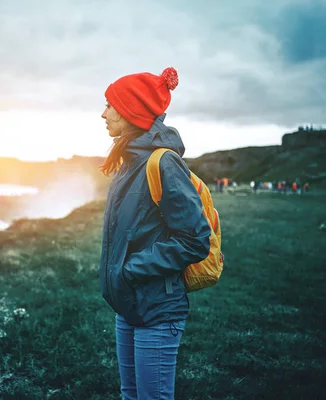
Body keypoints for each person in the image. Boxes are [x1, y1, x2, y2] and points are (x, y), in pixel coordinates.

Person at [99, 67, 211, 399]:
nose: (103, 114)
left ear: (131, 111)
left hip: (157, 309)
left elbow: (194, 239)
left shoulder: (163, 164)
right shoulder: (127, 162)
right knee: (130, 396)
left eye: (110, 105)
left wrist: (130, 271)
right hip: (128, 305)